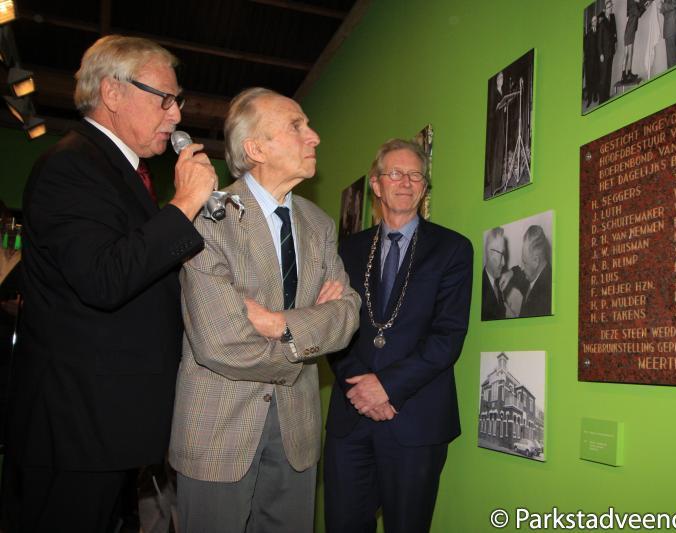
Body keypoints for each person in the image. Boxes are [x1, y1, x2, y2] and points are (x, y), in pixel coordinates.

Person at [0, 35, 217, 532]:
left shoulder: (122, 172)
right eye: (165, 98)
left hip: (108, 425)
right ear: (113, 92)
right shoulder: (72, 165)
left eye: (178, 101)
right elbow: (104, 278)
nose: (176, 115)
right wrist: (185, 204)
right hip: (74, 430)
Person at [168, 87, 361, 533]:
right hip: (217, 432)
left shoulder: (319, 224)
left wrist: (278, 324)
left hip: (298, 432)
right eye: (297, 126)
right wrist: (309, 334)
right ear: (256, 149)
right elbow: (220, 341)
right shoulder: (206, 216)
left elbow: (348, 314)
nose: (314, 137)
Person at [325, 138, 473, 533]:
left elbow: (447, 336)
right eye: (395, 173)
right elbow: (332, 326)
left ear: (424, 187)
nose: (406, 182)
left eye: (416, 176)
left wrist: (386, 387)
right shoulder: (346, 251)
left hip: (417, 419)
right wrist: (361, 387)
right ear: (376, 184)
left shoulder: (452, 249)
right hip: (351, 417)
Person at [505, 225, 552, 318]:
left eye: (525, 263)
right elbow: (519, 272)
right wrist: (511, 273)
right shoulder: (535, 272)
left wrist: (511, 318)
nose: (522, 268)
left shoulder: (546, 298)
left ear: (536, 261)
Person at [621, 0, 652, 84]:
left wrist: (645, 5)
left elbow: (639, 12)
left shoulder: (633, 4)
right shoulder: (633, 4)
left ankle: (628, 73)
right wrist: (646, 6)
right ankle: (624, 75)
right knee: (628, 53)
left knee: (629, 53)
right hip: (629, 31)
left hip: (630, 31)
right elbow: (639, 14)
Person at [482, 227, 508, 320]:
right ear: (490, 254)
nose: (504, 263)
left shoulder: (497, 282)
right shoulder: (481, 292)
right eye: (501, 255)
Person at [598, 0, 618, 103]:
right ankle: (601, 100)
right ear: (605, 9)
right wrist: (601, 53)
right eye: (609, 7)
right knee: (603, 76)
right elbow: (599, 40)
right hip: (604, 53)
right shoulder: (602, 23)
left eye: (611, 6)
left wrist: (616, 43)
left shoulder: (612, 18)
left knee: (609, 74)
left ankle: (606, 97)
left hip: (611, 51)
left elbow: (615, 32)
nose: (611, 8)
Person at [660, 0, 676, 68]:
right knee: (675, 56)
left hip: (672, 25)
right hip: (674, 23)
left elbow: (674, 4)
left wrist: (662, 6)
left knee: (673, 59)